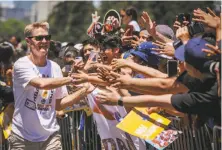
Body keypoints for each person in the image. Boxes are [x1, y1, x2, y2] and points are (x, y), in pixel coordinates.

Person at [9, 22, 92, 150]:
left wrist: (84, 90)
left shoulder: (55, 67)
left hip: (50, 138)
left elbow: (58, 104)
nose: (44, 41)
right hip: (23, 139)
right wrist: (71, 79)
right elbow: (41, 84)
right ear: (29, 41)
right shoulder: (21, 64)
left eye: (47, 38)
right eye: (39, 38)